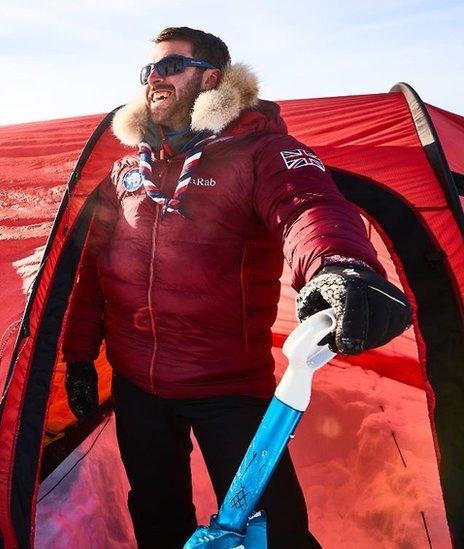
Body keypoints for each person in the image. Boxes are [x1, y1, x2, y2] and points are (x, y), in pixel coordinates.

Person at [61, 27, 412, 548]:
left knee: (276, 530)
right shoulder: (125, 172)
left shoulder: (262, 152)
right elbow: (96, 271)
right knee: (157, 516)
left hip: (227, 386)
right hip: (139, 387)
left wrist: (340, 265)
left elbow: (308, 208)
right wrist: (80, 357)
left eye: (171, 66)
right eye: (148, 70)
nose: (154, 77)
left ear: (212, 77)